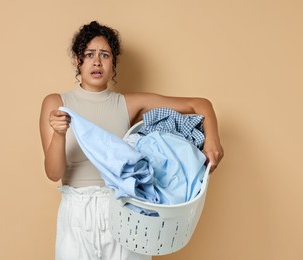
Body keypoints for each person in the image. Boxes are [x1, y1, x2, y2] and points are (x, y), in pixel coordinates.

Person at [39, 21, 224, 260]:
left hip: (123, 208)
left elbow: (200, 105)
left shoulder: (127, 104)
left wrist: (212, 141)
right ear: (77, 60)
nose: (97, 62)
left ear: (113, 62)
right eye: (89, 54)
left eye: (105, 55)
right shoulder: (56, 104)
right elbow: (54, 173)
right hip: (76, 212)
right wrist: (60, 134)